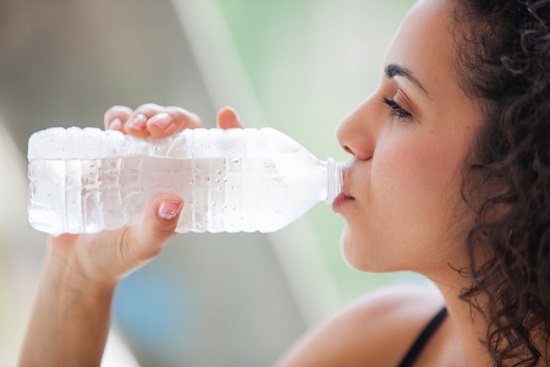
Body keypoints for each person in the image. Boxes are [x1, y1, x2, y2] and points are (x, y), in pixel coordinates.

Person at [18, 0, 550, 366]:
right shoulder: (382, 340)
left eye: (398, 106)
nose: (346, 131)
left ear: (516, 173)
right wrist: (80, 274)